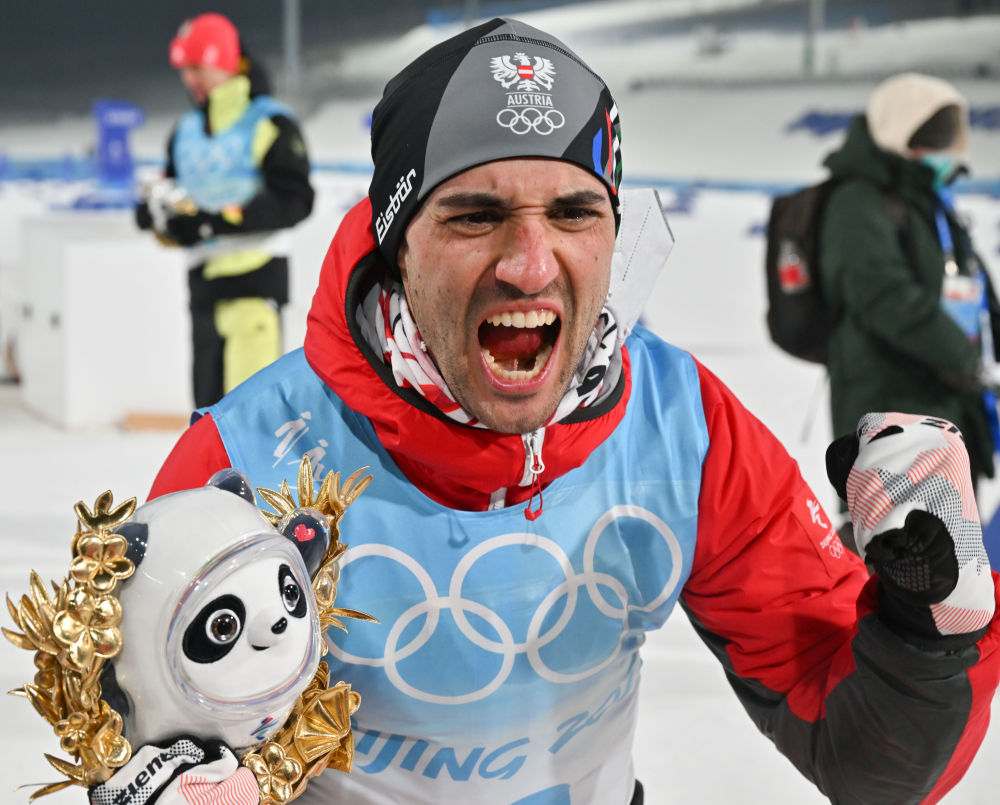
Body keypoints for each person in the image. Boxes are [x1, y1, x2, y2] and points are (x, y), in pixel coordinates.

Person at [148, 19, 1000, 805]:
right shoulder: (243, 460)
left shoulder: (679, 422)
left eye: (573, 212)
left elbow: (864, 753)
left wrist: (932, 626)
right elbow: (142, 737)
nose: (529, 264)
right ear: (395, 241)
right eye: (474, 215)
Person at [818, 73, 999, 495]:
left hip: (943, 404)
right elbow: (882, 294)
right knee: (901, 554)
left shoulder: (927, 200)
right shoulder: (857, 202)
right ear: (897, 133)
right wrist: (961, 356)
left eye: (948, 136)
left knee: (955, 552)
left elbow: (970, 278)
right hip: (891, 414)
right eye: (931, 136)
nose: (942, 151)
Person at [135, 12, 314, 408]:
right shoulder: (185, 132)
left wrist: (216, 222)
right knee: (208, 422)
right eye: (184, 70)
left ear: (224, 63)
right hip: (203, 289)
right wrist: (157, 216)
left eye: (197, 68)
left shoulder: (269, 123)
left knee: (253, 419)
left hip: (255, 284)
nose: (189, 80)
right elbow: (177, 197)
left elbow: (296, 199)